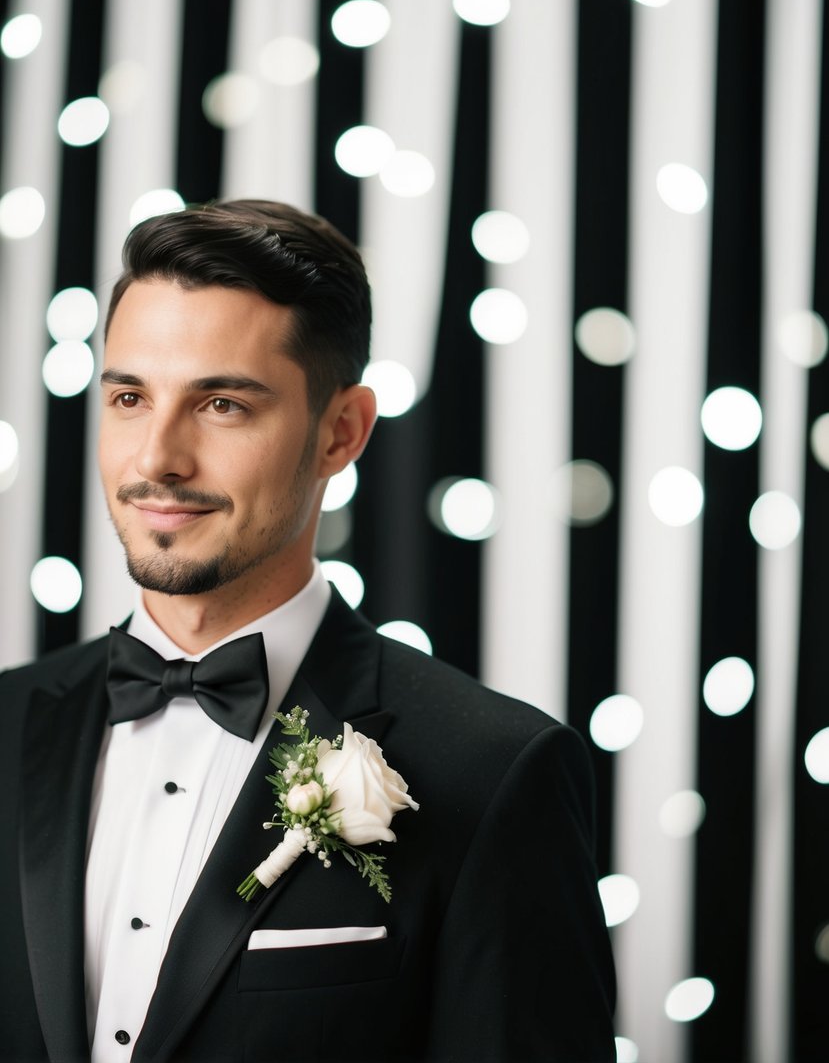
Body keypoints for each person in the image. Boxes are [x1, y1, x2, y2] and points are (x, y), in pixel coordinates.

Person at [0, 199, 616, 1062]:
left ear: (341, 431)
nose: (156, 459)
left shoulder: (492, 771)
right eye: (131, 397)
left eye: (221, 404)